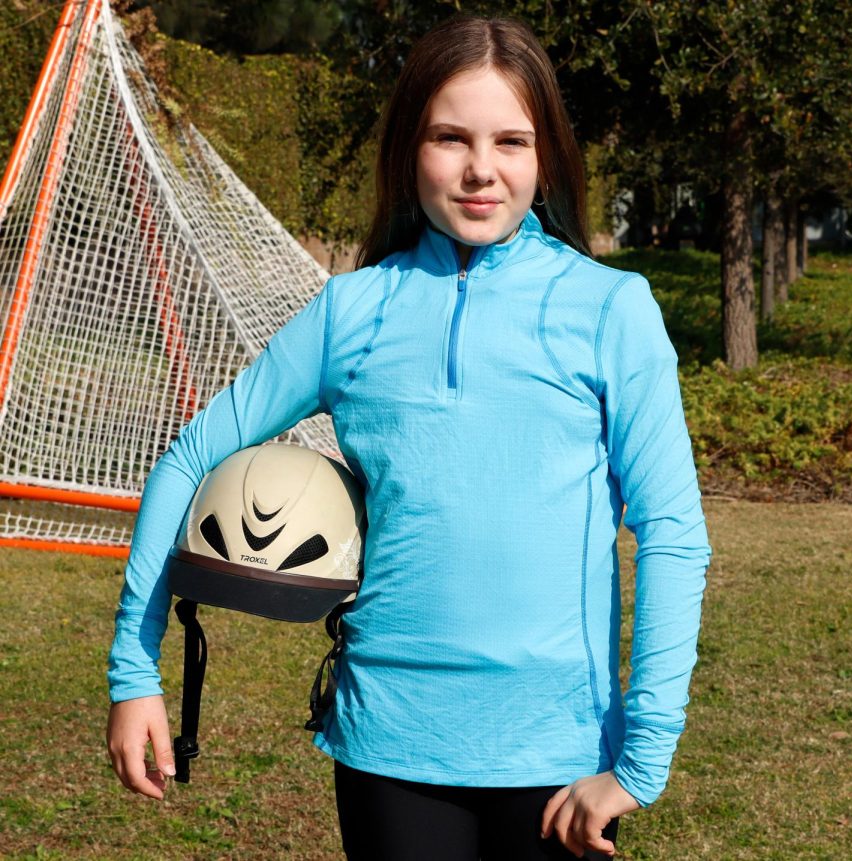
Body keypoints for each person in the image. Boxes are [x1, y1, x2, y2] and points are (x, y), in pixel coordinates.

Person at [105, 15, 710, 861]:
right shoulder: (351, 311)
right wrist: (134, 673)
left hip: (560, 753)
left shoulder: (611, 309)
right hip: (389, 745)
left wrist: (640, 761)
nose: (481, 170)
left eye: (511, 141)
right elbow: (187, 458)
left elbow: (674, 534)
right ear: (409, 147)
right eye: (449, 137)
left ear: (547, 156)